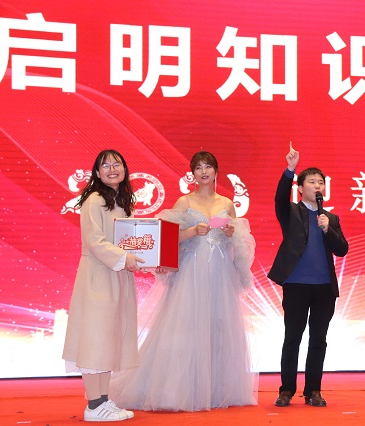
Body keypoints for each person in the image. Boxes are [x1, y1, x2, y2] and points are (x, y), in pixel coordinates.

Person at [109, 151, 257, 411]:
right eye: (198, 167)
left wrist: (230, 233)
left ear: (216, 172)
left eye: (208, 167)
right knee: (186, 327)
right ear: (192, 174)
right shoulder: (184, 202)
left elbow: (238, 241)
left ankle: (217, 390)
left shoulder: (227, 203)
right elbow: (166, 238)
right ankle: (179, 390)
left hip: (220, 272)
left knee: (219, 327)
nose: (204, 172)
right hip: (192, 271)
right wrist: (191, 231)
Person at [62, 149, 144, 422]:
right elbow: (95, 242)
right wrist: (125, 258)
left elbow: (133, 239)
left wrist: (148, 257)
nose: (112, 169)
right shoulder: (94, 200)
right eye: (105, 166)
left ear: (124, 169)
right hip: (98, 276)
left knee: (108, 340)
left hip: (117, 276)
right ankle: (94, 405)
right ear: (97, 173)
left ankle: (103, 400)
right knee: (94, 340)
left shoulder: (121, 201)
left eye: (116, 164)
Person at [268, 143, 349, 408]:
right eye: (312, 182)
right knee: (292, 337)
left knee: (318, 340)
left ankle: (313, 390)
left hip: (324, 288)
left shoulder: (330, 218)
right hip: (296, 285)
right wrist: (290, 169)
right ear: (300, 188)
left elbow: (342, 249)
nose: (317, 186)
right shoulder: (291, 211)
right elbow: (280, 197)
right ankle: (286, 390)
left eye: (320, 182)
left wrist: (328, 229)